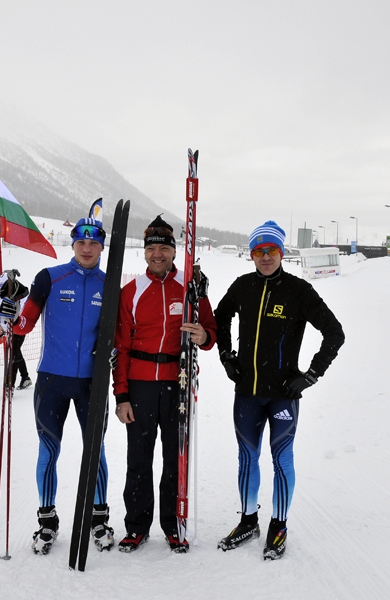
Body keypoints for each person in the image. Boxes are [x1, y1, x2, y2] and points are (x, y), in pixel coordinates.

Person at [214, 220, 345, 560]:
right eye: (258, 251)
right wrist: (227, 356)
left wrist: (311, 375)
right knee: (247, 458)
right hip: (247, 393)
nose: (265, 257)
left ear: (282, 253)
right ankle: (248, 521)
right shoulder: (243, 286)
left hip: (283, 395)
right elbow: (219, 318)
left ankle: (279, 524)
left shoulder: (299, 291)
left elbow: (334, 333)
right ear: (251, 255)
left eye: (271, 250)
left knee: (282, 459)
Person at [5, 203, 114, 556]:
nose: (87, 248)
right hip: (52, 380)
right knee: (48, 450)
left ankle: (98, 518)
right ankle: (47, 521)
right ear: (73, 244)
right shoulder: (49, 278)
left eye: (94, 242)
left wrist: (114, 351)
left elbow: (119, 334)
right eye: (81, 242)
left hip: (91, 384)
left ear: (102, 246)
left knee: (95, 450)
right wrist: (10, 319)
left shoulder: (110, 285)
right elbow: (25, 324)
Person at [113, 215, 217, 554]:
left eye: (164, 249)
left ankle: (174, 525)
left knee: (175, 459)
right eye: (151, 249)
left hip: (177, 383)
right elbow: (120, 348)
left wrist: (204, 336)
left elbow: (210, 331)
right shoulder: (131, 291)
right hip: (140, 386)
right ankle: (136, 526)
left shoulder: (189, 287)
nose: (157, 255)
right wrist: (122, 395)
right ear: (144, 253)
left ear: (174, 251)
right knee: (138, 460)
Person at [0, 270, 31, 390]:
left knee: (14, 353)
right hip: (5, 329)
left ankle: (9, 385)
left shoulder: (21, 293)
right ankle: (25, 377)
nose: (3, 290)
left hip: (18, 327)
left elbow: (25, 310)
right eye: (1, 287)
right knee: (16, 352)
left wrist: (16, 317)